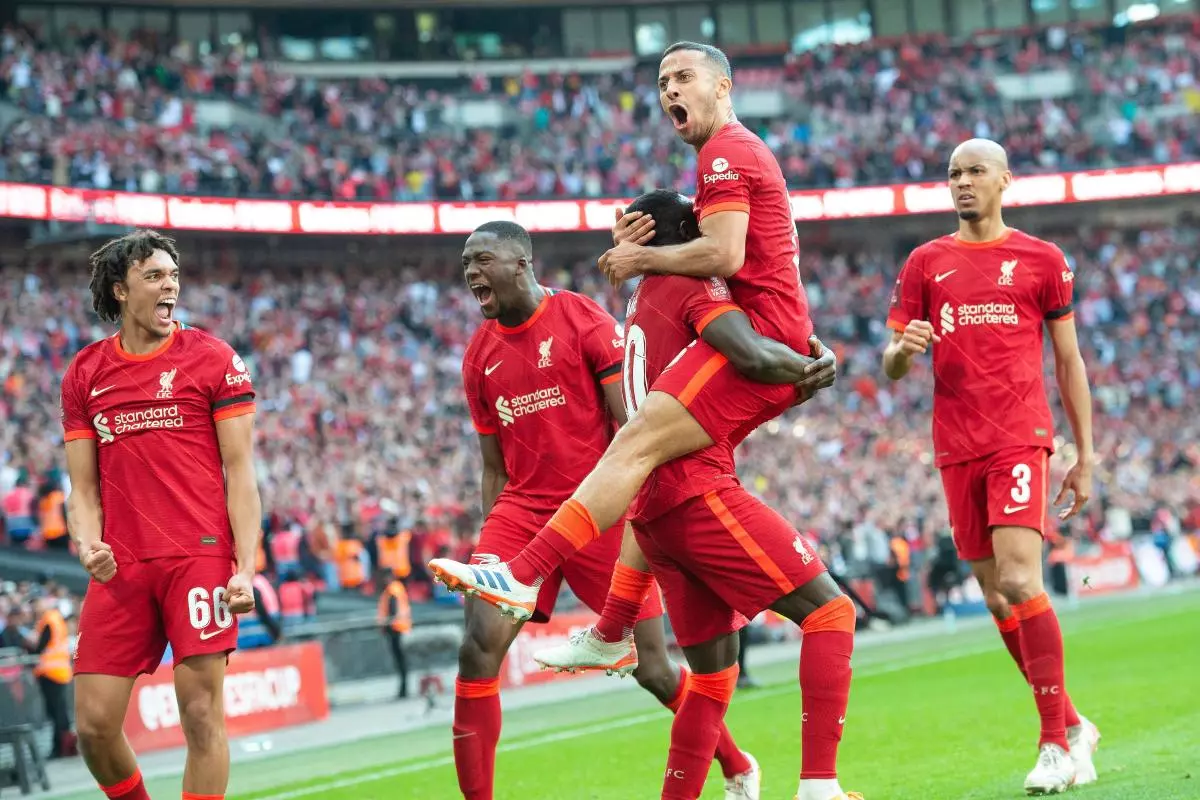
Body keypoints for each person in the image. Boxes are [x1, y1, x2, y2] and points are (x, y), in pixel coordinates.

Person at [442, 219, 827, 800]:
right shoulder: (479, 357)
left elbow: (634, 427)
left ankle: (736, 762)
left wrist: (637, 510)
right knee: (476, 646)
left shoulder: (581, 320)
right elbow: (493, 465)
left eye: (482, 259)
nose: (471, 271)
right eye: (466, 262)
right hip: (521, 509)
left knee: (653, 669)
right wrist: (493, 541)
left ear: (521, 263)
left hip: (600, 502)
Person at [537, 190, 859, 800]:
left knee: (710, 679)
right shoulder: (691, 287)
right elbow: (749, 355)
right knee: (831, 613)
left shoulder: (640, 301)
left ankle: (613, 639)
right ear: (685, 233)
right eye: (703, 225)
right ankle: (820, 786)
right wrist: (808, 368)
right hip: (694, 487)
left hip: (653, 509)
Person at [882, 138, 1100, 795]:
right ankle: (1072, 722)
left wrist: (1085, 455)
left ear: (1004, 179)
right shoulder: (925, 263)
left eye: (976, 171)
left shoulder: (1041, 260)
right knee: (996, 593)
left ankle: (1054, 744)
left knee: (1019, 578)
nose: (963, 182)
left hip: (1019, 438)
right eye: (954, 173)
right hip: (955, 443)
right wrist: (903, 350)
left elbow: (1068, 361)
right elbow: (892, 364)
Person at [60, 229, 262, 800]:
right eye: (154, 276)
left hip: (195, 559)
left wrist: (244, 567)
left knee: (200, 717)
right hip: (121, 564)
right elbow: (82, 487)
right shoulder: (85, 373)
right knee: (95, 728)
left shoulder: (214, 358)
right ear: (121, 290)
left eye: (173, 275)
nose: (169, 285)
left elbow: (241, 473)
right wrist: (87, 543)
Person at [31, 593, 74, 758]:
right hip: (60, 672)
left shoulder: (49, 620)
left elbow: (40, 648)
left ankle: (60, 748)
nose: (34, 608)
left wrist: (29, 647)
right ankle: (66, 746)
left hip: (51, 673)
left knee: (56, 713)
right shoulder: (55, 619)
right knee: (61, 712)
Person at [377, 568, 411, 700]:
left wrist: (387, 624)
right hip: (399, 628)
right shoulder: (396, 588)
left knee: (400, 661)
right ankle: (403, 689)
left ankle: (404, 689)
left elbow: (393, 611)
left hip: (396, 629)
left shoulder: (393, 590)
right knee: (400, 661)